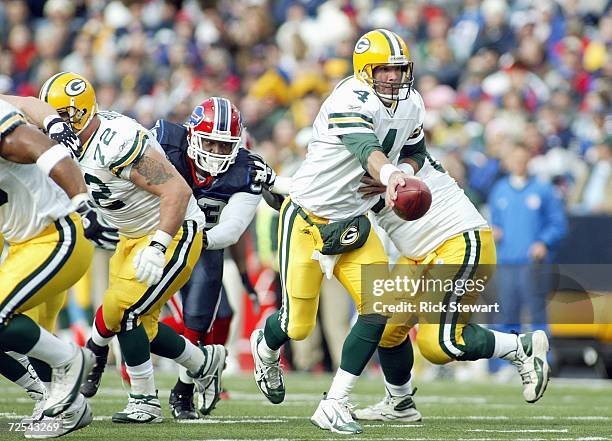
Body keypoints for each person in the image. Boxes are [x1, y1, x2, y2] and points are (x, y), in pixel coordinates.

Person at [15, 71, 226, 424]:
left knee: (126, 312)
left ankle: (144, 399)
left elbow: (176, 191)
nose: (55, 126)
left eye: (63, 118)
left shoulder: (115, 141)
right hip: (129, 236)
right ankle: (203, 362)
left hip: (172, 230)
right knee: (133, 319)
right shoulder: (66, 141)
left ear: (82, 113)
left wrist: (159, 245)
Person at [249, 29, 422, 435]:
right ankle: (265, 344)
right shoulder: (348, 98)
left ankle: (336, 401)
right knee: (297, 326)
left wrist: (404, 172)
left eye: (400, 70)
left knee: (379, 308)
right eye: (385, 70)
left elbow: (416, 150)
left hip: (356, 222)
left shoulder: (412, 103)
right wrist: (391, 173)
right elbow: (365, 148)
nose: (395, 78)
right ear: (365, 71)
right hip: (308, 219)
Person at [352, 145, 552, 423]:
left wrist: (279, 186)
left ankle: (521, 346)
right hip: (417, 253)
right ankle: (399, 403)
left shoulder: (390, 138)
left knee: (438, 345)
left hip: (456, 240)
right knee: (385, 328)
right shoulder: (360, 146)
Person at [151, 97, 270, 419]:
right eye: (210, 143)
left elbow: (235, 232)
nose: (217, 153)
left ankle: (183, 391)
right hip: (155, 240)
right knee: (136, 314)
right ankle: (138, 390)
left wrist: (244, 279)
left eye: (225, 145)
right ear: (191, 136)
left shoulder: (246, 169)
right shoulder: (163, 145)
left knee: (198, 323)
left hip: (206, 243)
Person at [0, 96, 99, 437]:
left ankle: (70, 360)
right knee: (22, 328)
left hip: (57, 234)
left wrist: (83, 203)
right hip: (23, 245)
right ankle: (68, 407)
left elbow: (42, 147)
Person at [488, 143, 567, 351]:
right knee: (506, 312)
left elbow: (558, 224)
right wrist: (494, 230)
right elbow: (493, 221)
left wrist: (543, 242)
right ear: (509, 162)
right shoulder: (500, 190)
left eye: (523, 160)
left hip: (532, 262)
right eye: (515, 160)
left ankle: (543, 360)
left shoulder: (543, 189)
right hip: (506, 261)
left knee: (536, 312)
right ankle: (504, 363)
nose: (519, 164)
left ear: (529, 161)